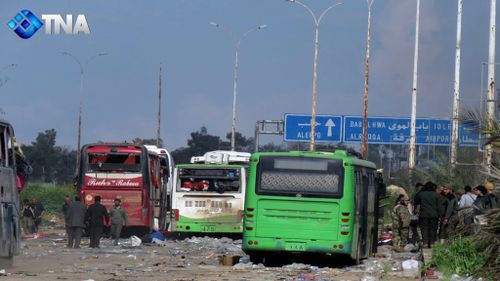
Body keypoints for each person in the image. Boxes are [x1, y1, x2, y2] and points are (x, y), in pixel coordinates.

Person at [414, 181, 442, 248]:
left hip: (424, 214)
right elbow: (439, 206)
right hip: (434, 215)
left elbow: (416, 202)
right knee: (433, 229)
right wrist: (440, 215)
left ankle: (425, 243)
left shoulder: (420, 194)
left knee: (424, 229)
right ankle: (432, 243)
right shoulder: (437, 195)